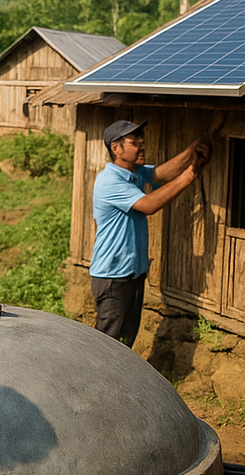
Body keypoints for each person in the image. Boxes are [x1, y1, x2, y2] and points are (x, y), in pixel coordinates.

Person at [90, 119, 211, 348]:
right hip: (112, 277)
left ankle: (121, 373)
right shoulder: (111, 181)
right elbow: (149, 205)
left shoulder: (133, 173)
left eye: (142, 141)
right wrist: (190, 175)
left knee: (125, 342)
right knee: (106, 345)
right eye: (135, 142)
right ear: (116, 148)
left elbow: (161, 173)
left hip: (131, 274)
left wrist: (192, 149)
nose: (142, 146)